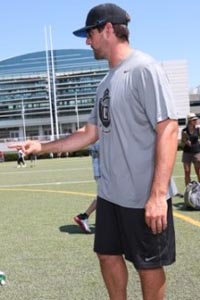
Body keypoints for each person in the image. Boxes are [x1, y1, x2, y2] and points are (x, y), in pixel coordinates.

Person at [8, 3, 178, 299]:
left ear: (108, 30)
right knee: (107, 256)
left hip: (143, 193)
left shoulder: (144, 68)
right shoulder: (106, 82)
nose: (88, 41)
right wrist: (42, 147)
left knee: (148, 266)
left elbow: (168, 128)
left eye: (90, 34)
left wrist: (157, 195)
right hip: (111, 195)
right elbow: (90, 132)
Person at [74, 141, 100, 233]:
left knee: (106, 197)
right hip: (104, 172)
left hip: (101, 171)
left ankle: (86, 217)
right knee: (105, 197)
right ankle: (84, 216)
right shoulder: (102, 134)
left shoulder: (96, 134)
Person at [181, 113, 200, 186]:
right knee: (187, 171)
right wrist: (186, 142)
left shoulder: (198, 129)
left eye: (196, 119)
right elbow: (182, 141)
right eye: (194, 119)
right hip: (187, 153)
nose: (195, 120)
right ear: (189, 120)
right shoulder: (184, 131)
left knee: (198, 171)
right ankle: (188, 190)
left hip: (197, 152)